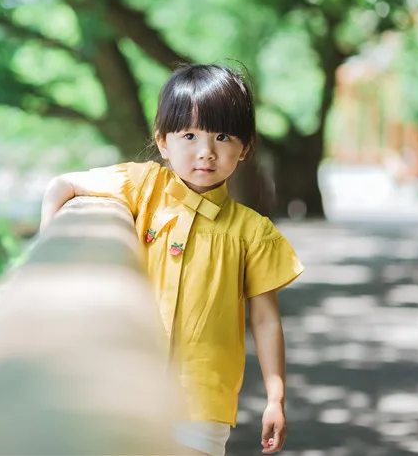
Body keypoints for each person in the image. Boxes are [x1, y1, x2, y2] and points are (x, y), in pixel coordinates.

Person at [39, 63, 304, 455]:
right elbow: (61, 185)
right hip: (128, 386)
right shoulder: (142, 186)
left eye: (223, 136)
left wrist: (275, 398)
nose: (206, 151)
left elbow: (265, 320)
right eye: (190, 135)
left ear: (245, 147)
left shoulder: (252, 231)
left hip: (203, 401)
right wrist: (50, 248)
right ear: (163, 142)